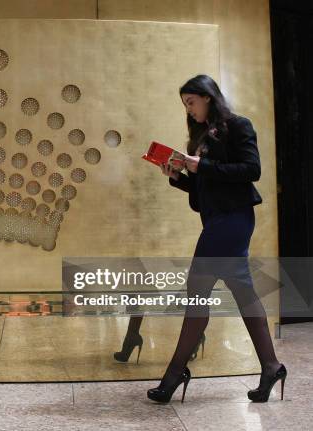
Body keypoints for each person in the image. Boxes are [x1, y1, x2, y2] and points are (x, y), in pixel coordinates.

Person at [146, 74, 287, 403]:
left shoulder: (239, 126)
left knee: (197, 293)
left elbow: (251, 170)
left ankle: (174, 374)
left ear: (207, 97)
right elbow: (203, 189)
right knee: (243, 293)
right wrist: (179, 177)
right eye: (185, 105)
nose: (189, 109)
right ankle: (271, 366)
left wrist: (202, 165)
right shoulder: (199, 137)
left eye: (191, 102)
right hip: (217, 222)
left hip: (234, 220)